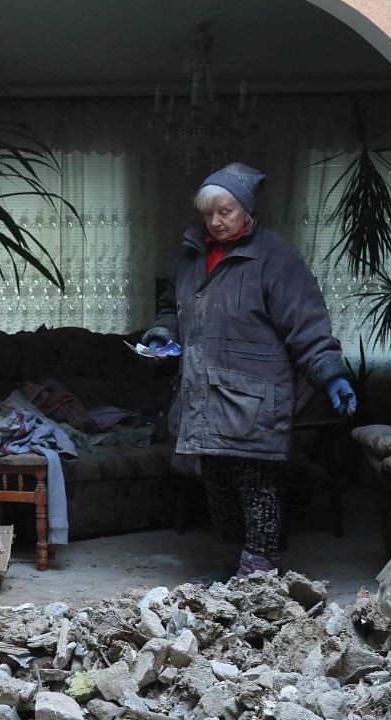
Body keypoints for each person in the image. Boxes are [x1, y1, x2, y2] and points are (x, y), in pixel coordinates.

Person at [141, 162, 356, 580]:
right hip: (204, 392)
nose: (216, 222)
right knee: (216, 481)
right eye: (209, 214)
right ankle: (228, 568)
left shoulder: (275, 256)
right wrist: (160, 335)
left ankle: (259, 574)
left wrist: (331, 373)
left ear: (246, 210)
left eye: (226, 212)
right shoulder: (192, 254)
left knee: (256, 484)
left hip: (255, 396)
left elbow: (306, 322)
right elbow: (172, 308)